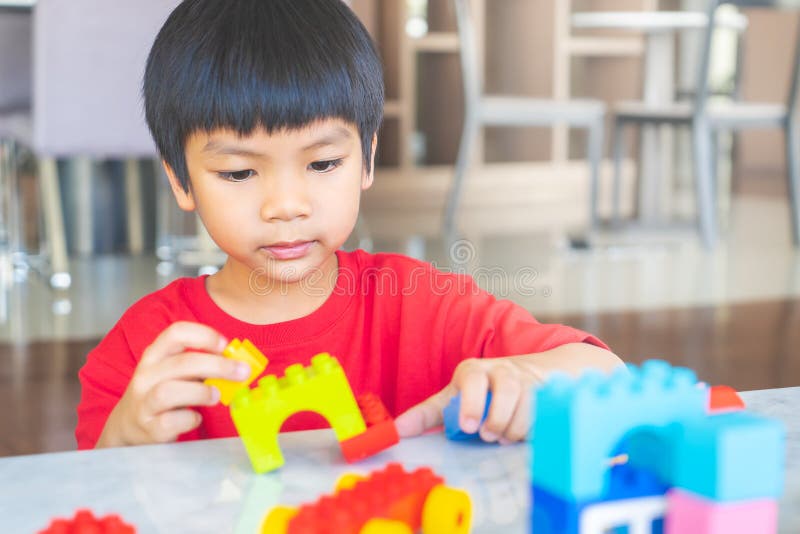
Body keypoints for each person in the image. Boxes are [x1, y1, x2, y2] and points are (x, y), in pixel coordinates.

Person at [76, 0, 622, 450]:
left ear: (366, 159)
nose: (286, 205)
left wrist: (528, 381)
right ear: (181, 180)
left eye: (322, 164)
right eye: (239, 171)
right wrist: (124, 439)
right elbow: (84, 498)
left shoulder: (416, 303)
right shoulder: (149, 347)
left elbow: (607, 371)